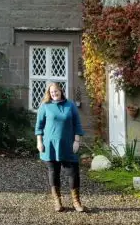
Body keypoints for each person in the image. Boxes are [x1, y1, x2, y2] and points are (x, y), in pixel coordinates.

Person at [35, 82, 85, 212]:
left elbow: (77, 124)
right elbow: (39, 126)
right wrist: (39, 142)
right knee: (53, 173)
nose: (54, 94)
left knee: (73, 173)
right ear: (49, 94)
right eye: (52, 92)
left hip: (68, 145)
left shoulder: (70, 105)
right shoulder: (45, 106)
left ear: (61, 91)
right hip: (50, 146)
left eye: (56, 91)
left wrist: (77, 141)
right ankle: (57, 201)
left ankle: (76, 202)